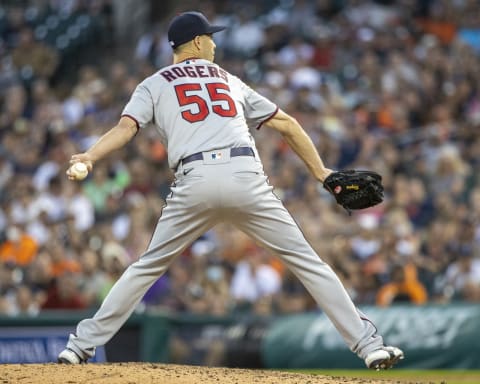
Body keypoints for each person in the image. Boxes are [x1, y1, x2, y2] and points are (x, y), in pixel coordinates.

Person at [57, 11, 404, 370]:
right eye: (210, 37)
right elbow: (286, 123)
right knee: (309, 263)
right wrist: (321, 172)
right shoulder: (227, 79)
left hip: (195, 179)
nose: (215, 43)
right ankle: (368, 346)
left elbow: (126, 128)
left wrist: (90, 155)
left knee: (146, 268)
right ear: (195, 42)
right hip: (245, 177)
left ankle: (79, 347)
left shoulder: (153, 84)